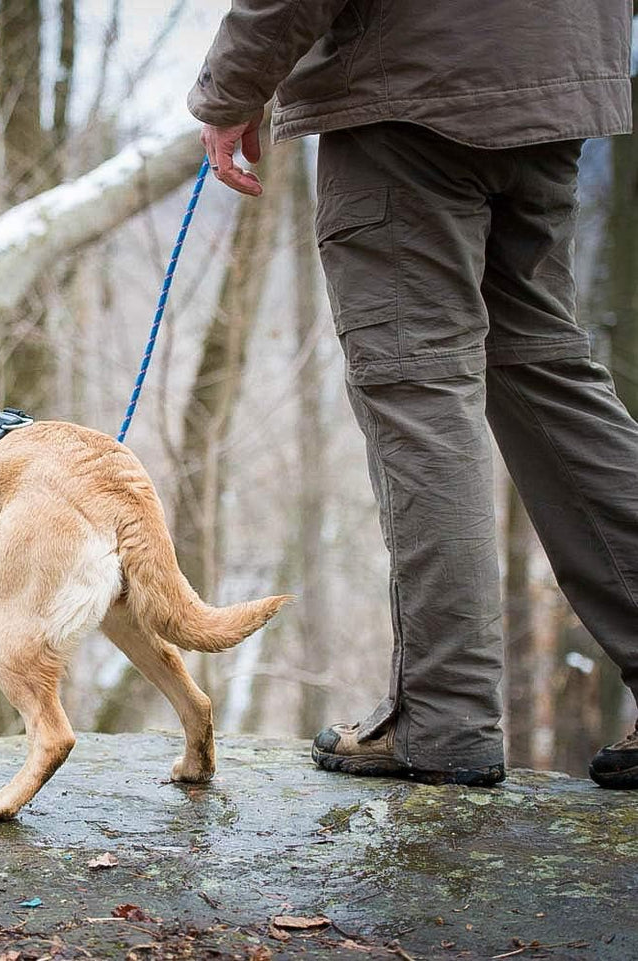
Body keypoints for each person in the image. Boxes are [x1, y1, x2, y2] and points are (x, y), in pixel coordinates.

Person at [189, 0, 638, 788]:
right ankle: (447, 710)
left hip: (410, 100)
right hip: (555, 86)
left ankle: (444, 716)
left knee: (420, 389)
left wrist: (229, 92)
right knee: (548, 376)